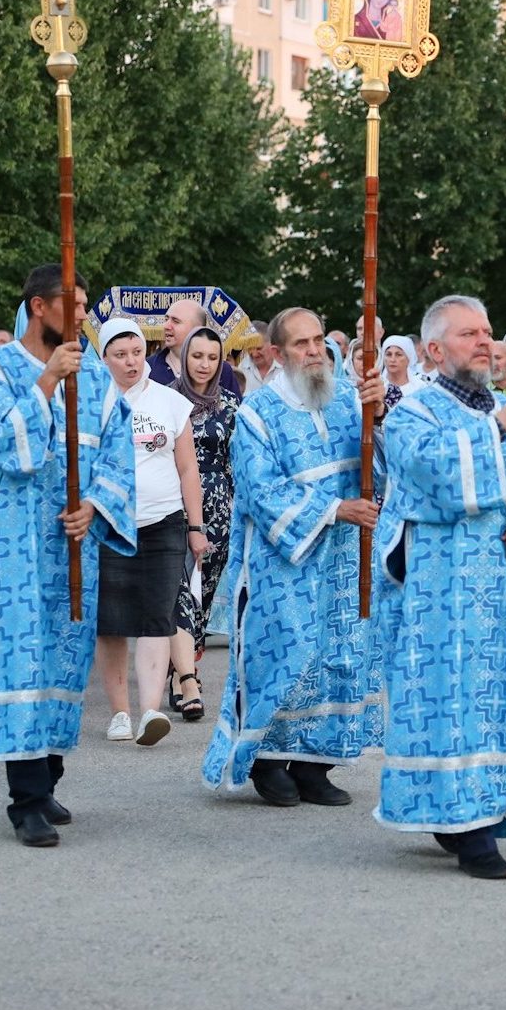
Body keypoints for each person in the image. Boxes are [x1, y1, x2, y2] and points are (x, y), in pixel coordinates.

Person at [373, 295, 506, 879]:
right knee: (455, 703)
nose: (487, 342)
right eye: (470, 334)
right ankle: (471, 830)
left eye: (489, 332)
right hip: (447, 599)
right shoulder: (414, 413)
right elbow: (429, 473)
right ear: (435, 350)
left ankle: (479, 811)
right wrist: (495, 429)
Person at [0, 265, 136, 846]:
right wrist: (47, 384)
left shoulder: (100, 381)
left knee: (63, 663)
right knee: (20, 661)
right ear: (38, 307)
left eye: (86, 305)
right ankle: (25, 799)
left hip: (73, 545)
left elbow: (118, 454)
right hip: (15, 548)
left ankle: (49, 777)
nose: (82, 315)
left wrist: (98, 507)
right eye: (72, 304)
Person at [203, 307, 387, 807]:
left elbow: (384, 470)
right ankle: (266, 760)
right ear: (278, 355)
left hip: (347, 558)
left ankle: (316, 765)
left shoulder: (351, 398)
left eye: (319, 341)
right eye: (301, 344)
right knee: (287, 655)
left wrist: (382, 419)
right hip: (286, 560)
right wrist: (332, 509)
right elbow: (261, 492)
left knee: (340, 656)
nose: (314, 352)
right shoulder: (258, 412)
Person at [93, 318, 205, 746]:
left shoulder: (169, 402)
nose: (130, 362)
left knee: (159, 614)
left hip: (163, 521)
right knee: (112, 622)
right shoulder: (91, 403)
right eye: (120, 355)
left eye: (136, 353)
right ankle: (120, 711)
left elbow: (187, 468)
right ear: (104, 358)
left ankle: (151, 710)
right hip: (108, 522)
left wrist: (195, 526)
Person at [170, 326, 241, 718]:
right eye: (197, 356)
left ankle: (181, 664)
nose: (204, 364)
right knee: (178, 590)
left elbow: (238, 463)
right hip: (173, 506)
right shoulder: (167, 400)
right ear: (185, 357)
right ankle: (186, 679)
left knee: (203, 595)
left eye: (212, 358)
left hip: (220, 511)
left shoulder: (230, 406)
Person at [149, 298, 240, 397]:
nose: (166, 326)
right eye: (166, 319)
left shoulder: (222, 370)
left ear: (197, 328)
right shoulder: (148, 367)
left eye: (175, 321)